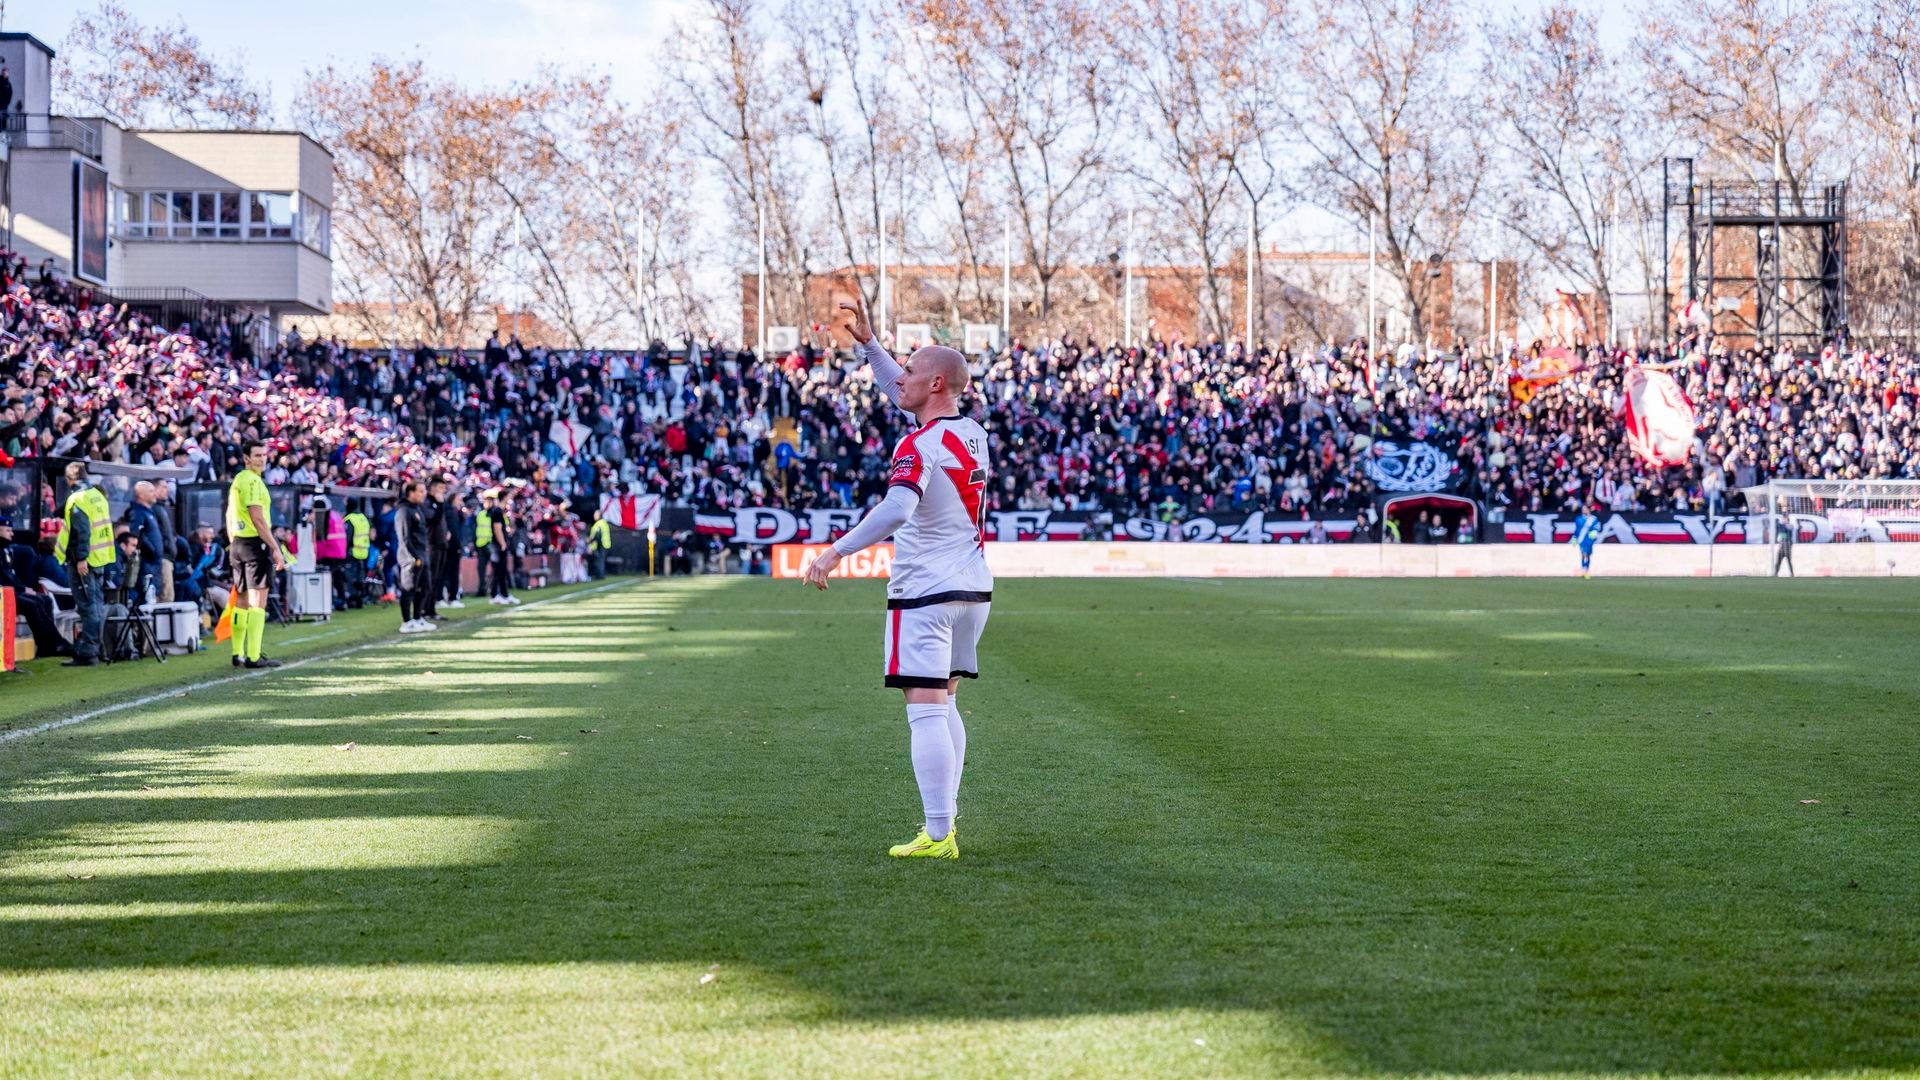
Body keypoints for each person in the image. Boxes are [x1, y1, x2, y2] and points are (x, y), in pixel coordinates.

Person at [803, 298, 991, 860]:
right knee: (946, 703)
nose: (898, 379)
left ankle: (938, 834)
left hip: (925, 590)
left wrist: (835, 552)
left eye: (909, 371)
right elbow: (904, 391)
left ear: (936, 383)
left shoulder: (917, 444)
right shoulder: (970, 431)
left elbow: (897, 510)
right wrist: (869, 346)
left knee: (925, 709)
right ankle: (947, 826)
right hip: (973, 588)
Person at [227, 440, 286, 668]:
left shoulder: (238, 480)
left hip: (238, 543)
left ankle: (237, 653)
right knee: (257, 601)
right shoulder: (252, 481)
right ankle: (253, 656)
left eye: (264, 454)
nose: (262, 459)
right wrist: (275, 547)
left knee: (241, 599)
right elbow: (258, 518)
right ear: (246, 458)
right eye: (257, 455)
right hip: (254, 544)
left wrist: (233, 541)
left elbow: (229, 514)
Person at [55, 461, 115, 667]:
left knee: (88, 608)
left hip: (85, 561)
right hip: (100, 559)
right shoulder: (98, 495)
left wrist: (81, 559)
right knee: (96, 606)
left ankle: (88, 652)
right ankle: (97, 648)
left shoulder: (77, 498)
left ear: (69, 479)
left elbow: (82, 531)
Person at [0, 513, 70, 659]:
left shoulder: (5, 549)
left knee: (45, 600)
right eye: (8, 530)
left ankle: (46, 647)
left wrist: (23, 588)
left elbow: (11, 576)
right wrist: (23, 589)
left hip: (10, 591)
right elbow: (4, 577)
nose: (12, 533)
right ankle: (55, 644)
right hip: (3, 594)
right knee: (32, 604)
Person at [394, 480, 437, 633]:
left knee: (425, 587)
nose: (423, 494)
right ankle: (406, 622)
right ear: (410, 493)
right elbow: (404, 537)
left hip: (422, 553)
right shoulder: (404, 511)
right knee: (409, 588)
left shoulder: (416, 509)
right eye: (420, 491)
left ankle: (417, 618)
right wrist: (413, 557)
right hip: (411, 556)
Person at [1572, 504, 1602, 578]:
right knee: (1583, 554)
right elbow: (1577, 529)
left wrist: (1594, 533)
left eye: (1585, 509)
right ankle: (1584, 570)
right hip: (1581, 539)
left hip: (1589, 540)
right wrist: (1574, 537)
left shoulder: (1593, 519)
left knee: (1588, 555)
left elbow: (1597, 528)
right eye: (1583, 509)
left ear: (1588, 510)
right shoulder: (1578, 519)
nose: (1583, 510)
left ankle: (1586, 570)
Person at [588, 509, 613, 580]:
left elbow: (597, 536)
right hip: (605, 544)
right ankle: (601, 574)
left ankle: (600, 576)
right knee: (601, 560)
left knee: (599, 561)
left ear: (599, 515)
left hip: (601, 545)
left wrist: (590, 542)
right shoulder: (604, 523)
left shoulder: (599, 524)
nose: (594, 516)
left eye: (595, 514)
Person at [1773, 499, 1795, 578]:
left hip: (1787, 545)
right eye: (1783, 518)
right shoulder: (1781, 525)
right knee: (1778, 561)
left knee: (1789, 561)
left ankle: (1792, 574)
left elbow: (1786, 528)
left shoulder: (1789, 526)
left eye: (1785, 518)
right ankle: (1775, 574)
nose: (1783, 519)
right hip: (1781, 545)